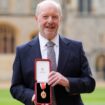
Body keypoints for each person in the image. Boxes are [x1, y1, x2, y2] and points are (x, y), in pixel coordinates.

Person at [10, 0, 96, 105]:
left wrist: (67, 82)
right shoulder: (22, 51)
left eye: (55, 17)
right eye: (45, 16)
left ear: (60, 19)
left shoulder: (76, 48)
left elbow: (90, 83)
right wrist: (32, 97)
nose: (50, 21)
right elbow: (16, 87)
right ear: (36, 19)